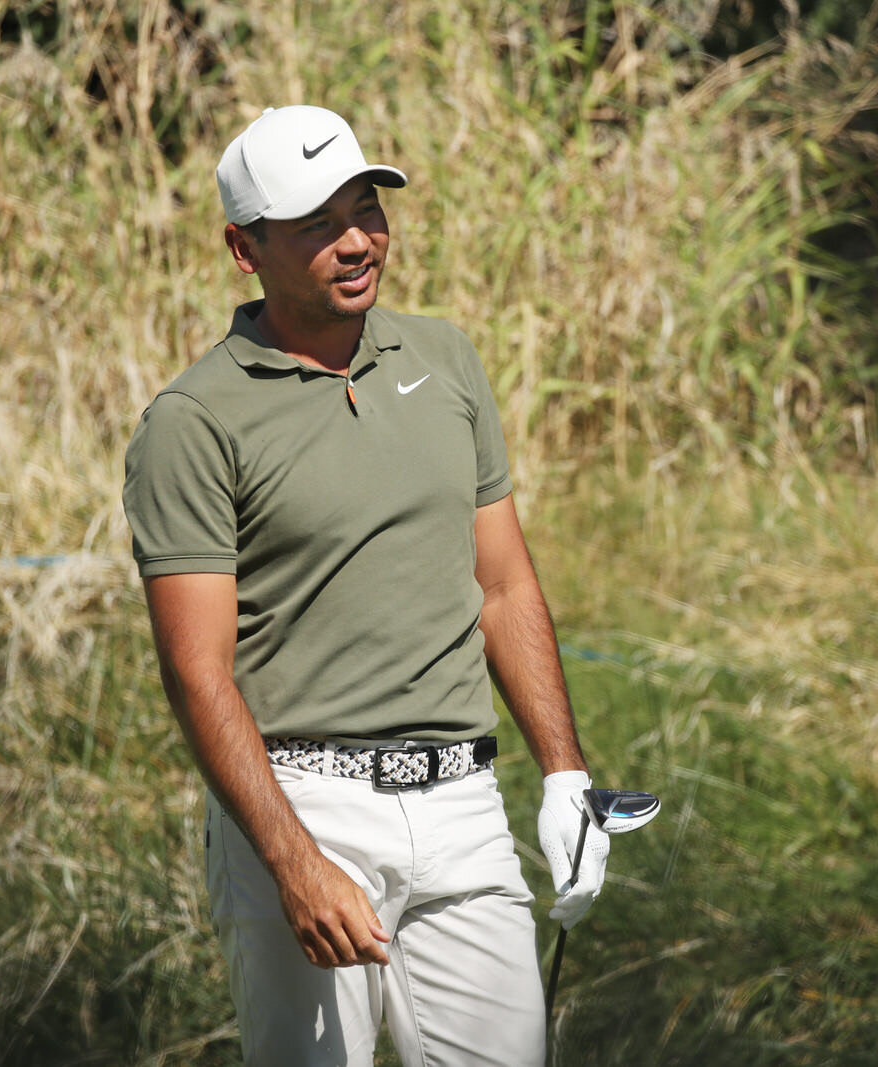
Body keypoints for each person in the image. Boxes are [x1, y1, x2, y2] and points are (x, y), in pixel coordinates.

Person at [122, 104, 611, 1066]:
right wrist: (293, 863)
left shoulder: (446, 359)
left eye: (367, 209)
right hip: (302, 804)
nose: (358, 241)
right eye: (317, 224)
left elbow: (504, 585)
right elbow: (197, 673)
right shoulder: (192, 422)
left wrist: (565, 776)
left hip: (463, 804)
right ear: (243, 247)